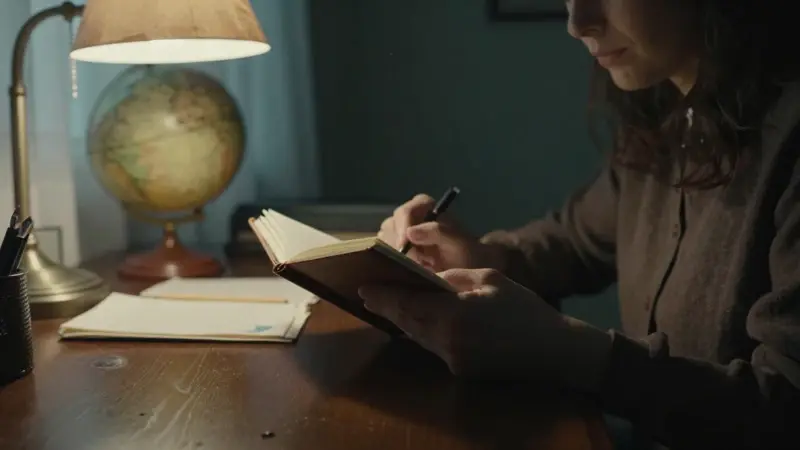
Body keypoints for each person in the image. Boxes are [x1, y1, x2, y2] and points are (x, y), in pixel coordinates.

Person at [357, 1, 800, 449]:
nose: (577, 23)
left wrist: (567, 351)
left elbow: (785, 409)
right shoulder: (669, 112)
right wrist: (480, 256)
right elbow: (575, 241)